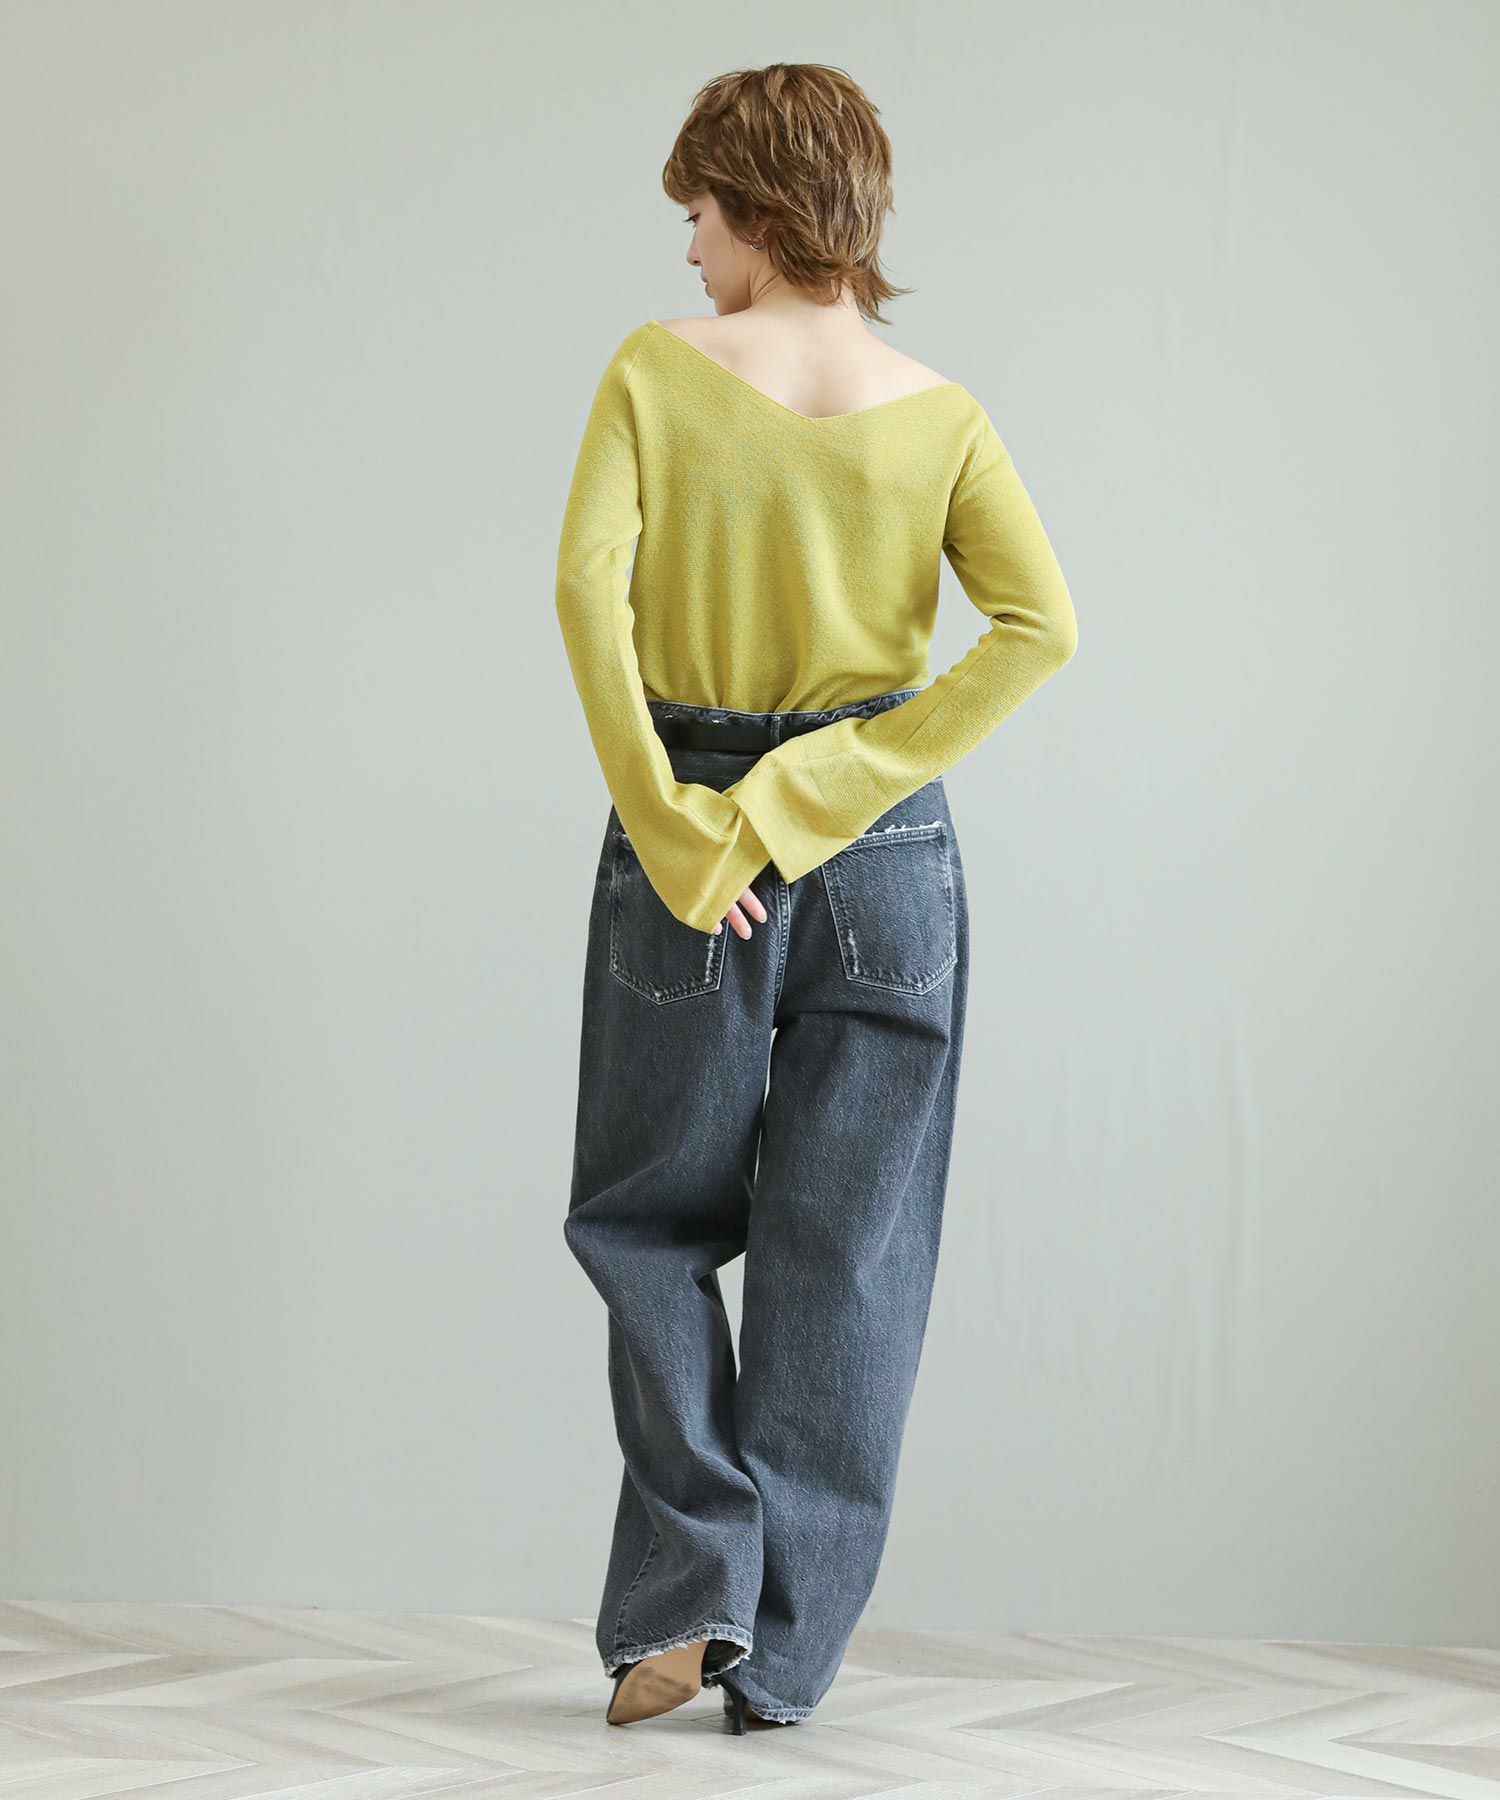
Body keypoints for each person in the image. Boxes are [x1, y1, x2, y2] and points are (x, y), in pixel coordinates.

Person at [554, 62, 1078, 1735]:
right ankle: (781, 1662)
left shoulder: (656, 372)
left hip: (697, 836)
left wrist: (693, 827)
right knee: (848, 1258)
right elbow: (1039, 630)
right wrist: (827, 792)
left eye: (699, 216)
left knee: (646, 1221)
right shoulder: (944, 413)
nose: (689, 253)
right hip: (888, 856)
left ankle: (685, 1600)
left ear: (759, 207)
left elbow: (587, 600)